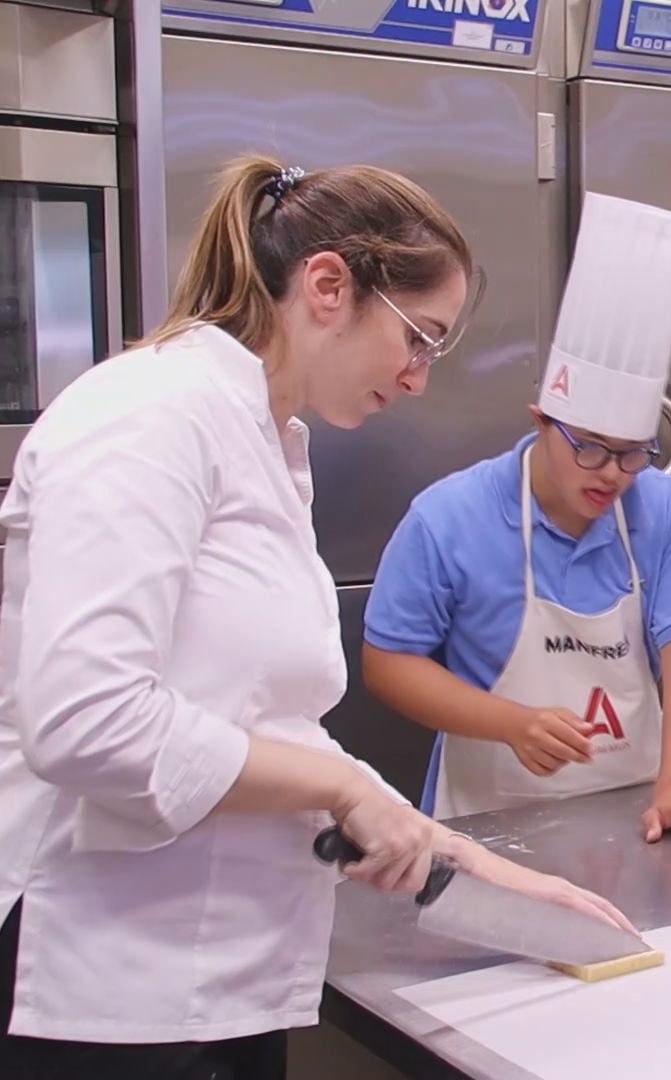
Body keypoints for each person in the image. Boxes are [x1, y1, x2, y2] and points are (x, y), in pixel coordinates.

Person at [0, 157, 629, 1078]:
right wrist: (342, 792)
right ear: (328, 285)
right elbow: (83, 719)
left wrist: (457, 855)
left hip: (214, 975)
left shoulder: (268, 442)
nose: (418, 378)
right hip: (91, 984)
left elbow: (263, 721)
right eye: (419, 338)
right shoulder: (147, 415)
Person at [361, 194, 671, 842]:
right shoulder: (449, 518)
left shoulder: (664, 510)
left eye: (632, 453)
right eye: (588, 447)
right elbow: (388, 663)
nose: (611, 474)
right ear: (542, 420)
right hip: (488, 830)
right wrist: (510, 723)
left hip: (636, 826)